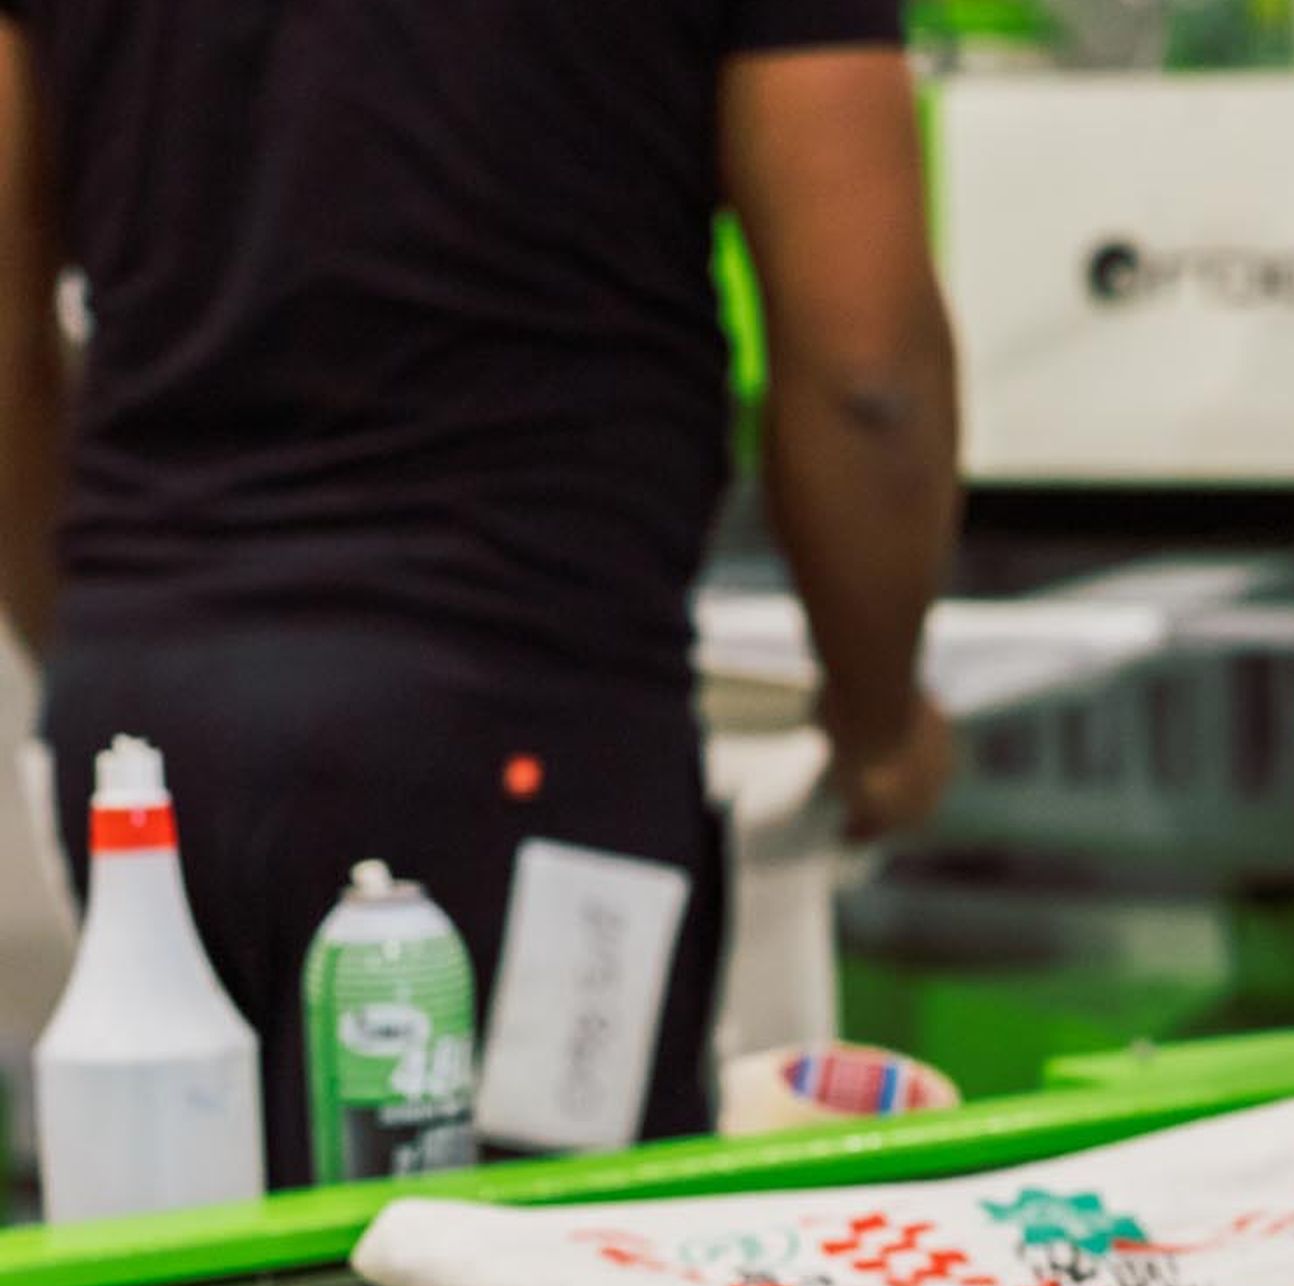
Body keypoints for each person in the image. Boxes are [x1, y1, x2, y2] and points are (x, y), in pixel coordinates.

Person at [0, 0, 958, 1184]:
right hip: (517, 736)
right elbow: (869, 374)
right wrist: (876, 725)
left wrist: (103, 647)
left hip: (153, 725)